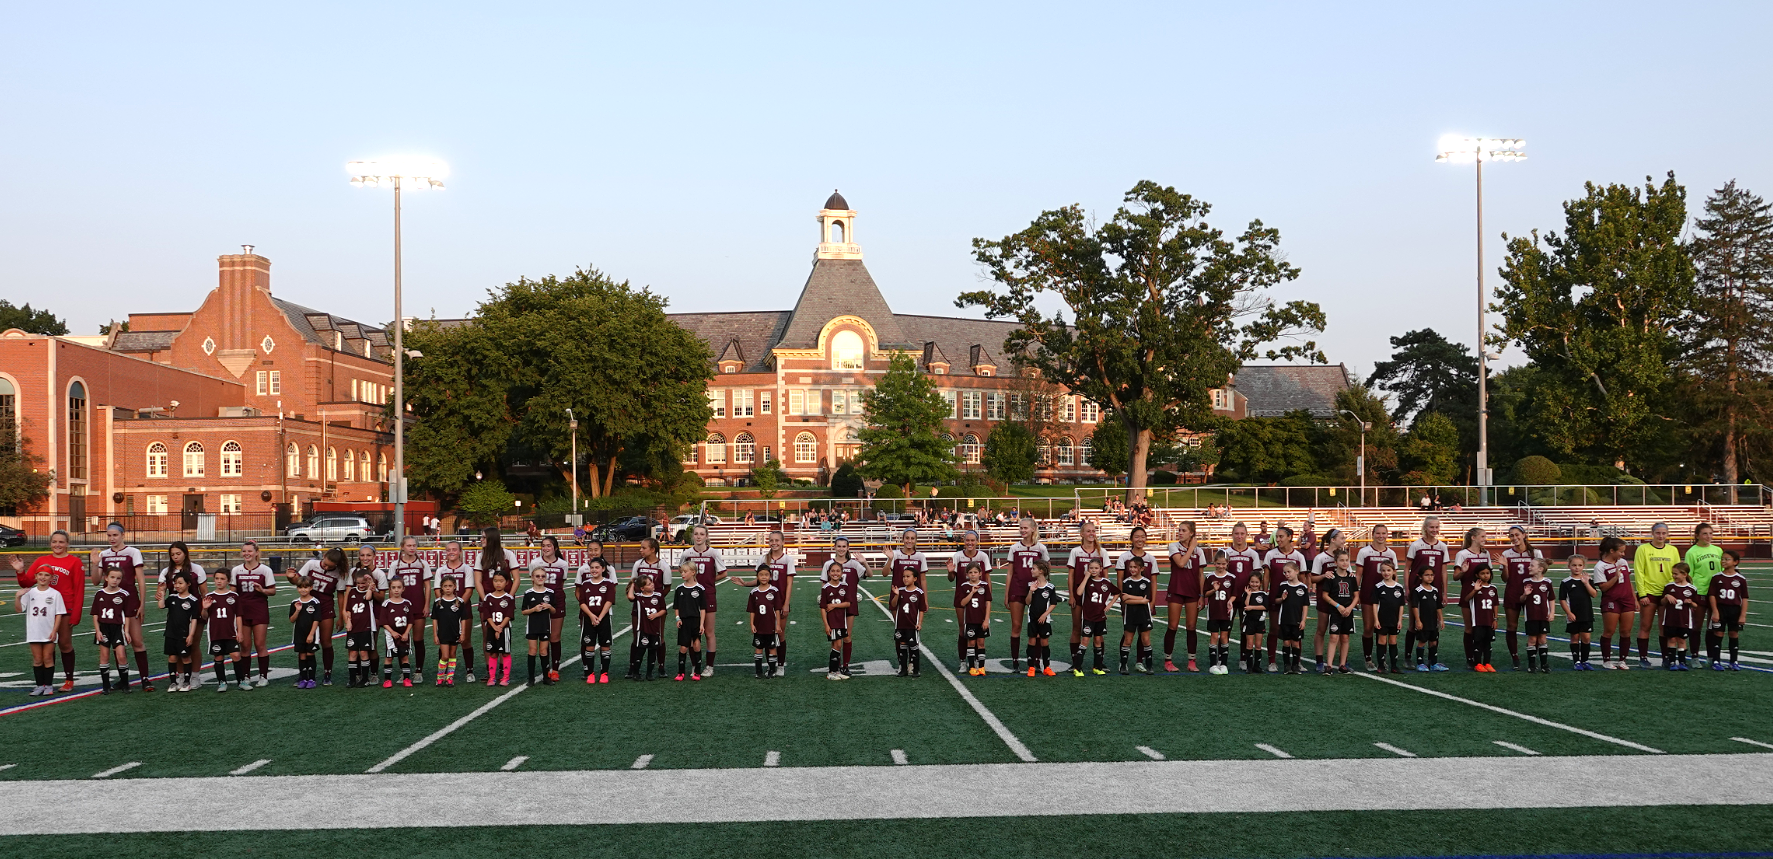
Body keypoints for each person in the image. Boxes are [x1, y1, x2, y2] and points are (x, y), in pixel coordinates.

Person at [10, 532, 86, 692]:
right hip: (44, 611)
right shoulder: (41, 560)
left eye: (61, 542)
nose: (57, 545)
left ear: (67, 543)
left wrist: (76, 614)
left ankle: (69, 679)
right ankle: (46, 683)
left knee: (65, 645)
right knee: (45, 646)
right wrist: (20, 571)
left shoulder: (75, 562)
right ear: (50, 543)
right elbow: (26, 583)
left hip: (64, 609)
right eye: (54, 541)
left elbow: (79, 589)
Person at [95, 523, 154, 692]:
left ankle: (145, 678)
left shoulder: (133, 552)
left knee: (136, 640)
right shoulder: (104, 554)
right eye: (109, 535)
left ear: (122, 535)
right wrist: (95, 563)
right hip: (111, 603)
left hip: (130, 600)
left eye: (115, 535)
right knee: (116, 640)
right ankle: (123, 680)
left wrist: (142, 603)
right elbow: (95, 581)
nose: (112, 538)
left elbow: (141, 580)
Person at [226, 540, 278, 690]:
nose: (246, 554)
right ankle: (246, 676)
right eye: (244, 551)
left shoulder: (265, 570)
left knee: (260, 644)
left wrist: (263, 590)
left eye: (249, 551)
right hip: (242, 611)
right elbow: (233, 591)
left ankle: (263, 676)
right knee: (245, 646)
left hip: (259, 608)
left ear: (256, 553)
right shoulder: (236, 570)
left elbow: (272, 591)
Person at [1004, 515, 1050, 673]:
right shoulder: (1015, 547)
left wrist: (1044, 590)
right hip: (1017, 589)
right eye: (1021, 527)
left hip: (1036, 591)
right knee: (1016, 626)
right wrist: (1006, 594)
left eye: (1025, 527)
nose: (1022, 530)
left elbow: (1047, 571)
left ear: (1033, 529)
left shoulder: (1041, 548)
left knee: (1037, 627)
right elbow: (1010, 573)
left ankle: (1035, 661)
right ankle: (1015, 661)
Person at [1403, 517, 1450, 674]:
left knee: (1433, 624)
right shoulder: (1416, 545)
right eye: (1431, 527)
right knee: (1413, 624)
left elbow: (1443, 571)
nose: (1434, 530)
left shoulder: (1442, 546)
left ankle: (1432, 660)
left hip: (1434, 590)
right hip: (1418, 589)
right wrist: (1407, 588)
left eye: (1437, 527)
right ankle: (1409, 657)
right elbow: (1407, 568)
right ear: (1425, 528)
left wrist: (1444, 591)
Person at [1633, 522, 1681, 670]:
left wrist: (1674, 591)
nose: (1661, 536)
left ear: (1667, 534)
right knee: (1645, 625)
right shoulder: (1643, 549)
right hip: (1649, 593)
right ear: (1652, 533)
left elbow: (1677, 572)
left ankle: (1665, 657)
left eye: (1664, 533)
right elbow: (1639, 572)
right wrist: (1642, 594)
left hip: (1666, 594)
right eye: (1658, 533)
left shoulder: (1673, 550)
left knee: (1664, 626)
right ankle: (1643, 657)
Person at [681, 525, 727, 678]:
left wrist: (709, 582)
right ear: (692, 536)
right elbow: (681, 570)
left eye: (702, 534)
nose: (699, 536)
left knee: (708, 632)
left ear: (707, 536)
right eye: (696, 534)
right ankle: (695, 665)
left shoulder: (713, 552)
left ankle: (709, 666)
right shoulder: (687, 553)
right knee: (694, 633)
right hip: (690, 597)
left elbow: (724, 573)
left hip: (708, 595)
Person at [1163, 521, 1209, 673]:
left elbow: (1201, 574)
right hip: (1176, 590)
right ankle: (1168, 660)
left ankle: (1192, 661)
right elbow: (1181, 563)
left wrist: (1202, 595)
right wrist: (1191, 547)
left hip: (1193, 592)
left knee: (1191, 627)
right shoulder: (1174, 546)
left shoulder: (1199, 551)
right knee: (1173, 626)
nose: (1180, 533)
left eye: (1183, 530)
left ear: (1191, 533)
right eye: (1179, 530)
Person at [1066, 521, 1110, 672]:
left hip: (1096, 597)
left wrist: (1105, 598)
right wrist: (1071, 595)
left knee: (1098, 630)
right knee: (1077, 628)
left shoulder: (1101, 552)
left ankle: (1099, 662)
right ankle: (1075, 662)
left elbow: (1106, 577)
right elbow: (1071, 576)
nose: (1091, 533)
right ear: (1082, 534)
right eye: (1088, 531)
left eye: (1094, 531)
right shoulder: (1076, 551)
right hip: (1080, 594)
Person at [388, 536, 434, 683]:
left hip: (418, 604)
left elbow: (427, 586)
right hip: (401, 607)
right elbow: (391, 588)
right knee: (402, 640)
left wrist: (426, 605)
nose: (412, 548)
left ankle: (419, 671)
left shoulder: (423, 564)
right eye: (409, 545)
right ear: (402, 547)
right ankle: (405, 671)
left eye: (414, 545)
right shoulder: (395, 565)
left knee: (418, 639)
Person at [18, 563, 68, 696]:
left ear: (51, 578)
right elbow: (19, 609)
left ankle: (49, 686)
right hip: (34, 630)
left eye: (46, 575)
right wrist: (18, 597)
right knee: (37, 659)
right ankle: (39, 685)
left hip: (48, 631)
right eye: (40, 574)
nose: (43, 577)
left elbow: (59, 614)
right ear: (36, 576)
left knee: (48, 658)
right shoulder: (30, 593)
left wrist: (54, 631)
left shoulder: (55, 594)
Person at [821, 537, 868, 676]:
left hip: (849, 605)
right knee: (835, 638)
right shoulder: (828, 564)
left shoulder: (854, 564)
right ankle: (835, 665)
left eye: (844, 546)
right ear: (834, 547)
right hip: (833, 607)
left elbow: (869, 574)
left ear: (848, 548)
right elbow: (824, 584)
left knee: (847, 636)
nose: (841, 549)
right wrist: (825, 602)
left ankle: (845, 666)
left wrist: (864, 562)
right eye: (838, 546)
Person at [1499, 526, 1543, 672]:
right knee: (1512, 626)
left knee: (1534, 626)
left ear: (1524, 535)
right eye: (1511, 535)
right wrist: (1505, 567)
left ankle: (1533, 657)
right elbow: (1505, 579)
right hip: (1513, 591)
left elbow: (1542, 572)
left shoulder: (1535, 552)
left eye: (1517, 534)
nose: (1514, 537)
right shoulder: (1507, 553)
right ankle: (1515, 658)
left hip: (1532, 593)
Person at [434, 541, 478, 683]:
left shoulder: (467, 569)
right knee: (444, 640)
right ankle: (443, 672)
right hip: (445, 611)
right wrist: (445, 605)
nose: (451, 552)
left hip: (463, 609)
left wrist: (458, 604)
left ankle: (469, 671)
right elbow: (436, 590)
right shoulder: (441, 570)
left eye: (454, 549)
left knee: (465, 640)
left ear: (460, 551)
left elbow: (469, 590)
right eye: (448, 550)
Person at [1356, 524, 1398, 672]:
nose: (1381, 536)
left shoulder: (1391, 553)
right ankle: (1368, 659)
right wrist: (1356, 594)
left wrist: (1395, 593)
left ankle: (1382, 659)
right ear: (1373, 534)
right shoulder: (1364, 551)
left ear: (1387, 535)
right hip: (1368, 593)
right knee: (1368, 627)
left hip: (1386, 597)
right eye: (1378, 533)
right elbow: (1359, 574)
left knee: (1384, 629)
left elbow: (1395, 576)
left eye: (1384, 533)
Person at [1592, 536, 1636, 670]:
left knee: (1626, 631)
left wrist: (1634, 598)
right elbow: (1603, 587)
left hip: (1627, 600)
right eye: (1621, 551)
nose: (1623, 554)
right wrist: (1615, 577)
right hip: (1611, 600)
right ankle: (1606, 660)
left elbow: (1628, 583)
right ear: (1612, 551)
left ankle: (1623, 660)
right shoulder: (1600, 566)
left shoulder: (1623, 562)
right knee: (1609, 631)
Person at [90, 568, 137, 694]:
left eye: (118, 578)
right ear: (106, 578)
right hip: (104, 628)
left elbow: (127, 615)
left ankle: (125, 684)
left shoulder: (124, 594)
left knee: (121, 655)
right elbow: (95, 614)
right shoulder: (99, 594)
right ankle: (106, 686)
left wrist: (126, 631)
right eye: (112, 577)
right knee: (104, 656)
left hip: (118, 628)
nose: (115, 580)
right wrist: (97, 630)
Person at [1452, 528, 1491, 670]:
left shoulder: (1486, 554)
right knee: (1469, 628)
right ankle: (1470, 658)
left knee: (1482, 628)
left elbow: (1489, 575)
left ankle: (1481, 659)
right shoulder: (1462, 554)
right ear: (1473, 538)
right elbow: (1455, 577)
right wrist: (1463, 571)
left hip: (1483, 597)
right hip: (1468, 594)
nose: (1485, 538)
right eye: (1482, 536)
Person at [203, 569, 248, 692]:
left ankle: (241, 681)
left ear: (228, 581)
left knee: (236, 655)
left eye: (222, 579)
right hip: (215, 633)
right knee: (218, 657)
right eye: (217, 578)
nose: (219, 581)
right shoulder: (209, 597)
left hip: (230, 632)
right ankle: (222, 682)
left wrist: (240, 631)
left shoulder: (234, 596)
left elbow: (238, 615)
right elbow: (204, 617)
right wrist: (205, 609)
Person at [1685, 524, 1724, 667]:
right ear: (1697, 535)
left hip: (1716, 593)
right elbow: (1688, 575)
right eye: (1704, 534)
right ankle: (1695, 656)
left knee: (1713, 626)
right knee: (1697, 626)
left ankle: (1711, 656)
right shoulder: (1692, 552)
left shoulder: (1717, 550)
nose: (1708, 536)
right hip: (1700, 592)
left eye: (1710, 533)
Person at [1073, 559, 1117, 677]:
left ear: (1101, 569)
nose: (1093, 570)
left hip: (1100, 616)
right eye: (1091, 568)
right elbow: (1078, 592)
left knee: (1098, 641)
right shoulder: (1086, 581)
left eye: (1096, 568)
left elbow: (1117, 592)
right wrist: (1086, 578)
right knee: (1085, 641)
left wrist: (1110, 604)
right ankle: (1077, 668)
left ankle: (1097, 667)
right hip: (1088, 616)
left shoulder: (1106, 582)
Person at [1706, 549, 1748, 670]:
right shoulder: (1716, 577)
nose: (1723, 561)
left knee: (1734, 634)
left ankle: (1733, 661)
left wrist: (1743, 615)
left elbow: (1744, 598)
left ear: (1735, 562)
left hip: (1734, 610)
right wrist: (1715, 611)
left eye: (1727, 559)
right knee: (1718, 633)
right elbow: (1712, 595)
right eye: (1723, 559)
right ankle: (1716, 661)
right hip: (1720, 608)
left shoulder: (1740, 579)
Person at [578, 557, 617, 684]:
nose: (594, 570)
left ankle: (604, 673)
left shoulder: (609, 584)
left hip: (604, 618)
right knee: (589, 645)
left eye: (597, 567)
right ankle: (591, 673)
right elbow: (582, 602)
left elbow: (609, 601)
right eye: (592, 567)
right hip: (589, 619)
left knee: (605, 645)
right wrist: (591, 616)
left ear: (603, 569)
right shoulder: (585, 584)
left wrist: (599, 617)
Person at [160, 570, 201, 692]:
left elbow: (194, 619)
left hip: (184, 634)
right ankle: (173, 683)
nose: (177, 585)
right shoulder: (172, 597)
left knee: (185, 658)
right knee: (172, 658)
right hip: (170, 633)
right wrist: (162, 593)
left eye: (180, 583)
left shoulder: (193, 600)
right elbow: (161, 606)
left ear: (188, 584)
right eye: (175, 583)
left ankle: (187, 682)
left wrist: (191, 635)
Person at [1320, 551, 1358, 675]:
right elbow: (1325, 595)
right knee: (1333, 637)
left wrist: (1350, 608)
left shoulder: (1351, 577)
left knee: (1345, 637)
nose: (1344, 563)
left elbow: (1356, 596)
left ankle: (1342, 665)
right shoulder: (1331, 577)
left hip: (1348, 612)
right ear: (1335, 562)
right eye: (1341, 560)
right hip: (1336, 611)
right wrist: (1338, 606)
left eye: (1347, 560)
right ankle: (1329, 665)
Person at [1559, 555, 1598, 670]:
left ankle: (1585, 660)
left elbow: (1594, 594)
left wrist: (1586, 583)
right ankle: (1576, 661)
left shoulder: (1588, 580)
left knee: (1586, 638)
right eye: (1574, 565)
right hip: (1573, 614)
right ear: (1569, 566)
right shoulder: (1565, 582)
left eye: (1580, 565)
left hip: (1586, 614)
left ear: (1583, 566)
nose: (1577, 568)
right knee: (1575, 637)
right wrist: (1569, 613)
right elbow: (1562, 600)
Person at [519, 569, 557, 685]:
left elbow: (554, 611)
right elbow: (524, 611)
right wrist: (534, 609)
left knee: (543, 650)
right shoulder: (528, 593)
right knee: (532, 650)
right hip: (532, 626)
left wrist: (549, 606)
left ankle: (546, 677)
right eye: (537, 576)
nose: (540, 578)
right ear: (532, 578)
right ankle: (531, 679)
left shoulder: (550, 592)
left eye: (542, 576)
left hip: (545, 625)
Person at [1518, 559, 1557, 673]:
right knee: (1532, 639)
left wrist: (1552, 612)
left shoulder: (1547, 582)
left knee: (1543, 639)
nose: (1529, 567)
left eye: (1532, 566)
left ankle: (1544, 664)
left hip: (1543, 615)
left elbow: (1551, 599)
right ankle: (1532, 664)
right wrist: (1525, 594)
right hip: (1531, 615)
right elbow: (1521, 600)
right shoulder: (1526, 582)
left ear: (1540, 569)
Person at [745, 567, 784, 678]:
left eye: (766, 575)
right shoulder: (754, 592)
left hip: (771, 625)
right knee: (758, 648)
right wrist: (752, 624)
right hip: (759, 626)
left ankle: (771, 670)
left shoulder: (774, 591)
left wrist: (778, 624)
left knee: (772, 647)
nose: (763, 577)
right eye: (761, 575)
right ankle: (758, 671)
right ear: (757, 577)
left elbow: (777, 609)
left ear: (770, 576)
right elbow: (752, 610)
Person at [1118, 556, 1155, 675]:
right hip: (1130, 615)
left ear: (1141, 568)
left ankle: (1149, 666)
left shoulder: (1146, 582)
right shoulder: (1126, 582)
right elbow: (1124, 599)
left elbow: (1147, 599)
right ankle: (1123, 665)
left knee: (1145, 639)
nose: (1132, 569)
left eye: (1135, 567)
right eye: (1130, 567)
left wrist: (1131, 597)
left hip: (1144, 614)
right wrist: (1139, 600)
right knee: (1128, 640)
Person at [379, 577, 418, 688]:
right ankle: (387, 680)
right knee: (389, 657)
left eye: (399, 587)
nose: (396, 590)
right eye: (393, 588)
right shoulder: (386, 604)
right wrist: (392, 632)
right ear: (389, 589)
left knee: (404, 656)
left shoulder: (407, 603)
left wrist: (406, 633)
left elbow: (410, 620)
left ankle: (406, 679)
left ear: (403, 589)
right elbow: (383, 622)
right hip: (391, 636)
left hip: (404, 634)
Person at [627, 572, 667, 681]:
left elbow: (663, 610)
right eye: (649, 584)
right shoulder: (639, 597)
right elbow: (630, 596)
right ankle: (636, 672)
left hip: (655, 628)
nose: (652, 585)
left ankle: (649, 673)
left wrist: (656, 615)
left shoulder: (658, 596)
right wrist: (632, 583)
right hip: (643, 629)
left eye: (651, 583)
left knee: (653, 650)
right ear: (642, 588)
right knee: (640, 650)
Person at [344, 570, 380, 687]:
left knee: (364, 652)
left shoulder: (371, 591)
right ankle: (352, 679)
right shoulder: (352, 591)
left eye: (363, 583)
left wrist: (370, 585)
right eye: (358, 583)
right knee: (353, 653)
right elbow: (348, 609)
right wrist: (348, 622)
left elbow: (368, 597)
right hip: (354, 627)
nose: (360, 585)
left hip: (366, 627)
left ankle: (365, 679)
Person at [430, 576, 468, 687]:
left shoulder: (459, 602)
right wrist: (435, 634)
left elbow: (463, 619)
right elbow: (435, 619)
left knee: (452, 655)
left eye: (450, 586)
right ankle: (440, 677)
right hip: (443, 633)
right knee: (445, 656)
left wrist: (463, 633)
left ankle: (450, 678)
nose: (448, 588)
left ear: (455, 587)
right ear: (441, 587)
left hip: (455, 632)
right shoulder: (438, 602)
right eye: (445, 586)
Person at [1660, 564, 1699, 671]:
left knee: (1682, 640)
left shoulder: (1691, 589)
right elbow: (1662, 602)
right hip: (1670, 618)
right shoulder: (1669, 587)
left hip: (1684, 619)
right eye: (1673, 573)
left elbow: (1696, 605)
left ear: (1684, 574)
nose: (1674, 576)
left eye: (1676, 574)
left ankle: (1682, 662)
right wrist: (1667, 596)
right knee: (1672, 639)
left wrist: (1691, 602)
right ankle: (1672, 662)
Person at [1275, 561, 1311, 674]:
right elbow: (1276, 600)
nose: (1287, 574)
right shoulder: (1283, 586)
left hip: (1297, 619)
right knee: (1286, 642)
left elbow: (1305, 605)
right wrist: (1282, 599)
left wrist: (1303, 620)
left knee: (1296, 642)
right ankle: (1287, 665)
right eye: (1285, 572)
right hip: (1285, 619)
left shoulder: (1303, 587)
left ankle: (1295, 665)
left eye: (1289, 571)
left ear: (1296, 571)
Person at [1460, 567, 1499, 673]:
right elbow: (1466, 599)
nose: (1485, 575)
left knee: (1488, 643)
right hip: (1477, 620)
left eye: (1487, 573)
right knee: (1477, 642)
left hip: (1489, 620)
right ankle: (1477, 663)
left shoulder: (1493, 588)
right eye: (1482, 573)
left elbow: (1495, 604)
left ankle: (1487, 663)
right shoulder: (1473, 587)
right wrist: (1475, 590)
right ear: (1477, 575)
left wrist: (1495, 618)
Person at [1025, 561, 1061, 677]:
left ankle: (1046, 667)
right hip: (1032, 618)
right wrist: (1031, 591)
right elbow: (1027, 602)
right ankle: (1031, 667)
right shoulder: (1031, 584)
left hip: (1045, 619)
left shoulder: (1050, 587)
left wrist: (1045, 614)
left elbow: (1053, 603)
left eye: (1034, 568)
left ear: (1041, 571)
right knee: (1032, 641)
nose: (1031, 570)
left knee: (1044, 642)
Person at [480, 571, 516, 686]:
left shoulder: (509, 598)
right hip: (491, 628)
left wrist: (500, 627)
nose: (498, 583)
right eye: (495, 580)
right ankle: (492, 677)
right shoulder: (488, 598)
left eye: (501, 581)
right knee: (493, 653)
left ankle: (505, 677)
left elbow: (509, 615)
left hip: (504, 629)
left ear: (506, 583)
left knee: (505, 653)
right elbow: (487, 615)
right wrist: (495, 627)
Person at [956, 564, 992, 676]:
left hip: (982, 620)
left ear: (980, 573)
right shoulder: (964, 586)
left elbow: (988, 603)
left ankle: (981, 666)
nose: (973, 574)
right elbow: (962, 603)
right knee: (971, 642)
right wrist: (972, 592)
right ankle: (971, 666)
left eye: (975, 572)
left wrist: (986, 619)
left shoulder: (985, 585)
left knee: (981, 643)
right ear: (967, 574)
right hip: (970, 620)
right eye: (970, 572)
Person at [818, 563, 852, 681]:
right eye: (832, 571)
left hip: (841, 621)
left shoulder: (844, 586)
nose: (835, 573)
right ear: (828, 573)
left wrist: (834, 605)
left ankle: (835, 671)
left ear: (842, 573)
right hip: (832, 621)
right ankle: (832, 672)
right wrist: (826, 625)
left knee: (836, 645)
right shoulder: (826, 588)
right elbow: (822, 607)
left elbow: (848, 603)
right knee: (837, 645)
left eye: (838, 571)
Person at [673, 562, 707, 681]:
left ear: (693, 572)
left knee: (697, 645)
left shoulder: (700, 589)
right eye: (681, 572)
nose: (683, 574)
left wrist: (702, 624)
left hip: (696, 621)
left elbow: (703, 609)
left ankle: (697, 672)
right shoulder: (679, 589)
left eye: (685, 571)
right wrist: (677, 618)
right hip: (684, 622)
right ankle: (680, 672)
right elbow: (676, 607)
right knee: (683, 647)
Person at [890, 567, 926, 677]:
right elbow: (893, 605)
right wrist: (896, 595)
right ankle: (903, 669)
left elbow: (921, 609)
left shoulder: (919, 592)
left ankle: (916, 669)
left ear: (915, 578)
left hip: (912, 625)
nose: (905, 579)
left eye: (908, 576)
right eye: (904, 576)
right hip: (901, 624)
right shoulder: (900, 590)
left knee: (913, 646)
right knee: (902, 646)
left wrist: (919, 623)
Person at [1372, 561, 1407, 674]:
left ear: (1393, 571)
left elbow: (1401, 605)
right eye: (1383, 570)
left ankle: (1394, 666)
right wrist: (1376, 619)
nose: (1386, 573)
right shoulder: (1378, 587)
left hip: (1394, 619)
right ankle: (1381, 665)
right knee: (1382, 641)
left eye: (1388, 570)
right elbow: (1375, 604)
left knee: (1393, 641)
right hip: (1382, 619)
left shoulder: (1399, 587)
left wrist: (1400, 620)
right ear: (1380, 572)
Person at [1412, 567, 1447, 672]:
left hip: (1433, 622)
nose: (1430, 577)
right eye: (1427, 575)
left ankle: (1433, 663)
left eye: (1431, 575)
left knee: (1433, 642)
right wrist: (1417, 620)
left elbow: (1438, 607)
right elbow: (1414, 606)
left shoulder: (1435, 590)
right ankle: (1420, 663)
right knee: (1422, 641)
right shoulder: (1417, 591)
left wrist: (1441, 619)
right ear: (1421, 576)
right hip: (1423, 621)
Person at [290, 578, 322, 689]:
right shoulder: (295, 602)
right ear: (297, 588)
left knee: (310, 654)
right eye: (300, 587)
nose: (303, 590)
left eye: (305, 587)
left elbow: (316, 620)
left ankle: (312, 679)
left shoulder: (315, 602)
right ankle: (303, 678)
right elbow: (292, 620)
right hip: (299, 634)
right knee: (302, 655)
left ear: (311, 588)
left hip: (310, 634)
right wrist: (297, 610)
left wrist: (311, 634)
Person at [1239, 570, 1269, 675]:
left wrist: (1253, 607)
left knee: (1258, 645)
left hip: (1260, 622)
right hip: (1249, 622)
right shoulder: (1246, 594)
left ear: (1260, 583)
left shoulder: (1263, 594)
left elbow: (1265, 607)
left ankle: (1257, 666)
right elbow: (1246, 606)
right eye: (1252, 582)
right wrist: (1248, 595)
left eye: (1256, 582)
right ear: (1249, 582)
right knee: (1249, 643)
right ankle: (1249, 666)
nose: (1254, 584)